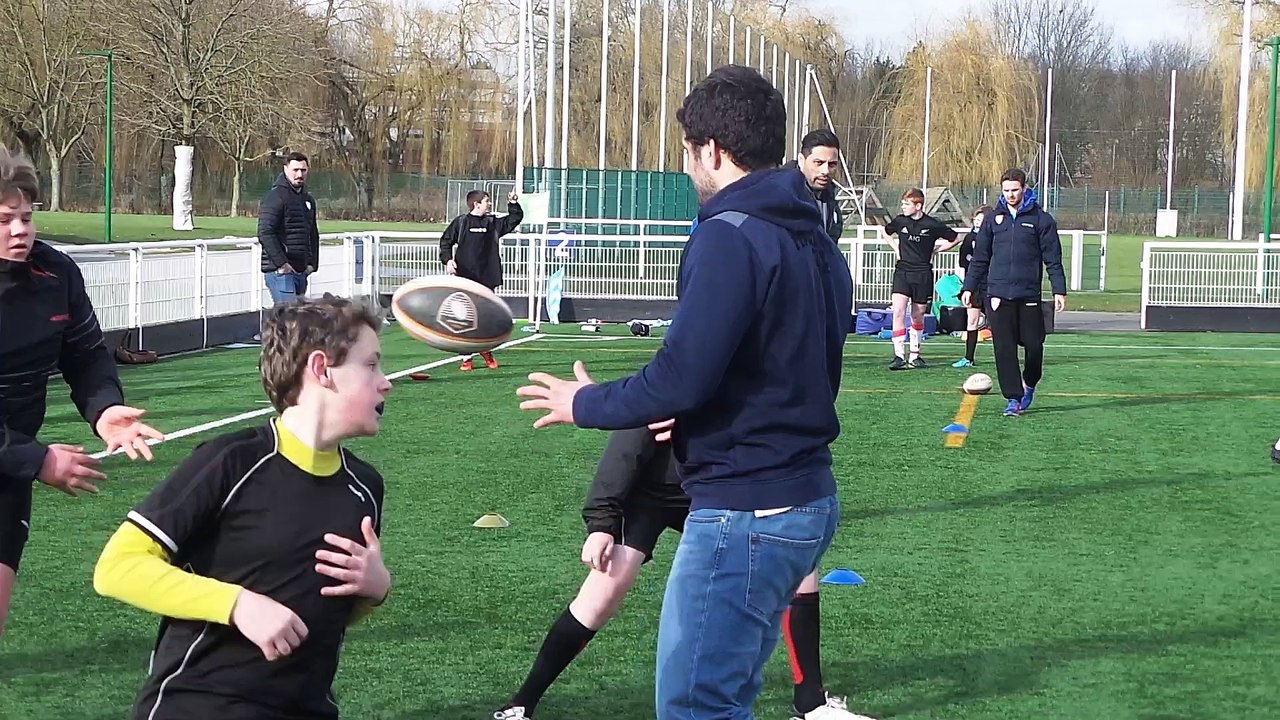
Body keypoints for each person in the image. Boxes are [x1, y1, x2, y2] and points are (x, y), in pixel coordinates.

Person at [516, 64, 853, 720]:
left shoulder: (730, 237)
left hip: (747, 511)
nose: (688, 167)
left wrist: (581, 404)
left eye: (689, 152)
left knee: (697, 706)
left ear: (714, 151)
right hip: (806, 497)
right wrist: (703, 417)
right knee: (727, 696)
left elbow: (682, 374)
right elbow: (792, 367)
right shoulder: (813, 236)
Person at [92, 295, 394, 719]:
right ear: (322, 370)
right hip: (200, 704)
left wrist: (375, 589)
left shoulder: (364, 486)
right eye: (370, 365)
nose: (386, 381)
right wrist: (237, 604)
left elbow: (328, 610)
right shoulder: (232, 461)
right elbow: (117, 569)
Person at [494, 427, 872, 720]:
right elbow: (623, 451)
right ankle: (522, 703)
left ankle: (810, 703)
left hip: (715, 489)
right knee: (605, 590)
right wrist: (601, 523)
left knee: (801, 572)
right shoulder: (682, 367)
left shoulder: (745, 378)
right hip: (650, 494)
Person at [0, 147, 163, 639]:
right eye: (5, 219)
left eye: (27, 216)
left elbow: (86, 354)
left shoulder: (57, 273)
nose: (21, 229)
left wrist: (106, 408)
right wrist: (37, 460)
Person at [961, 168, 1066, 417]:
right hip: (997, 294)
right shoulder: (992, 220)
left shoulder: (1042, 220)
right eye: (1006, 191)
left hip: (1029, 294)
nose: (1010, 195)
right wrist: (969, 287)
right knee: (1004, 348)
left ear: (1024, 188)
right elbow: (980, 258)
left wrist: (1059, 289)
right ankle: (1013, 398)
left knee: (1034, 345)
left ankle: (1029, 383)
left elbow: (1053, 258)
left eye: (1015, 190)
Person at [439, 189, 523, 371]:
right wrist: (448, 260)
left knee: (484, 318)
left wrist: (513, 204)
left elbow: (514, 219)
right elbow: (445, 242)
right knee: (464, 319)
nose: (489, 204)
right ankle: (466, 358)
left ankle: (485, 350)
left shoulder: (492, 223)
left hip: (487, 278)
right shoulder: (461, 222)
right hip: (464, 278)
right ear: (476, 204)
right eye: (486, 201)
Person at [882, 188, 962, 370]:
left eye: (906, 204)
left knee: (917, 316)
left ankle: (915, 355)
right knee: (898, 312)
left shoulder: (932, 224)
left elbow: (955, 238)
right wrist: (896, 248)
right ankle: (898, 355)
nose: (903, 207)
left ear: (918, 205)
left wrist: (937, 250)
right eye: (902, 203)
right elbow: (885, 231)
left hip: (923, 273)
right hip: (903, 272)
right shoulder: (900, 221)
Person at [258, 151, 321, 305]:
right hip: (281, 272)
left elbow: (313, 233)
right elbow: (265, 232)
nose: (299, 174)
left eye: (303, 170)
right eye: (295, 170)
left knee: (296, 321)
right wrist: (281, 264)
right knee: (289, 319)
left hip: (301, 271)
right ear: (285, 169)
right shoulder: (275, 197)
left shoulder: (307, 199)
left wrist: (313, 264)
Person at [785, 129, 844, 240]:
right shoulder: (782, 197)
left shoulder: (829, 197)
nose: (825, 171)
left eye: (832, 164)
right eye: (819, 163)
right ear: (801, 160)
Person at [952, 204, 992, 369]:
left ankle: (1006, 357)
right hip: (974, 285)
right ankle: (968, 357)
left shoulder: (994, 238)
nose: (977, 223)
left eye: (981, 220)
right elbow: (963, 260)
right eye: (975, 220)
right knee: (972, 320)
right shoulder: (970, 238)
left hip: (992, 285)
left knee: (998, 321)